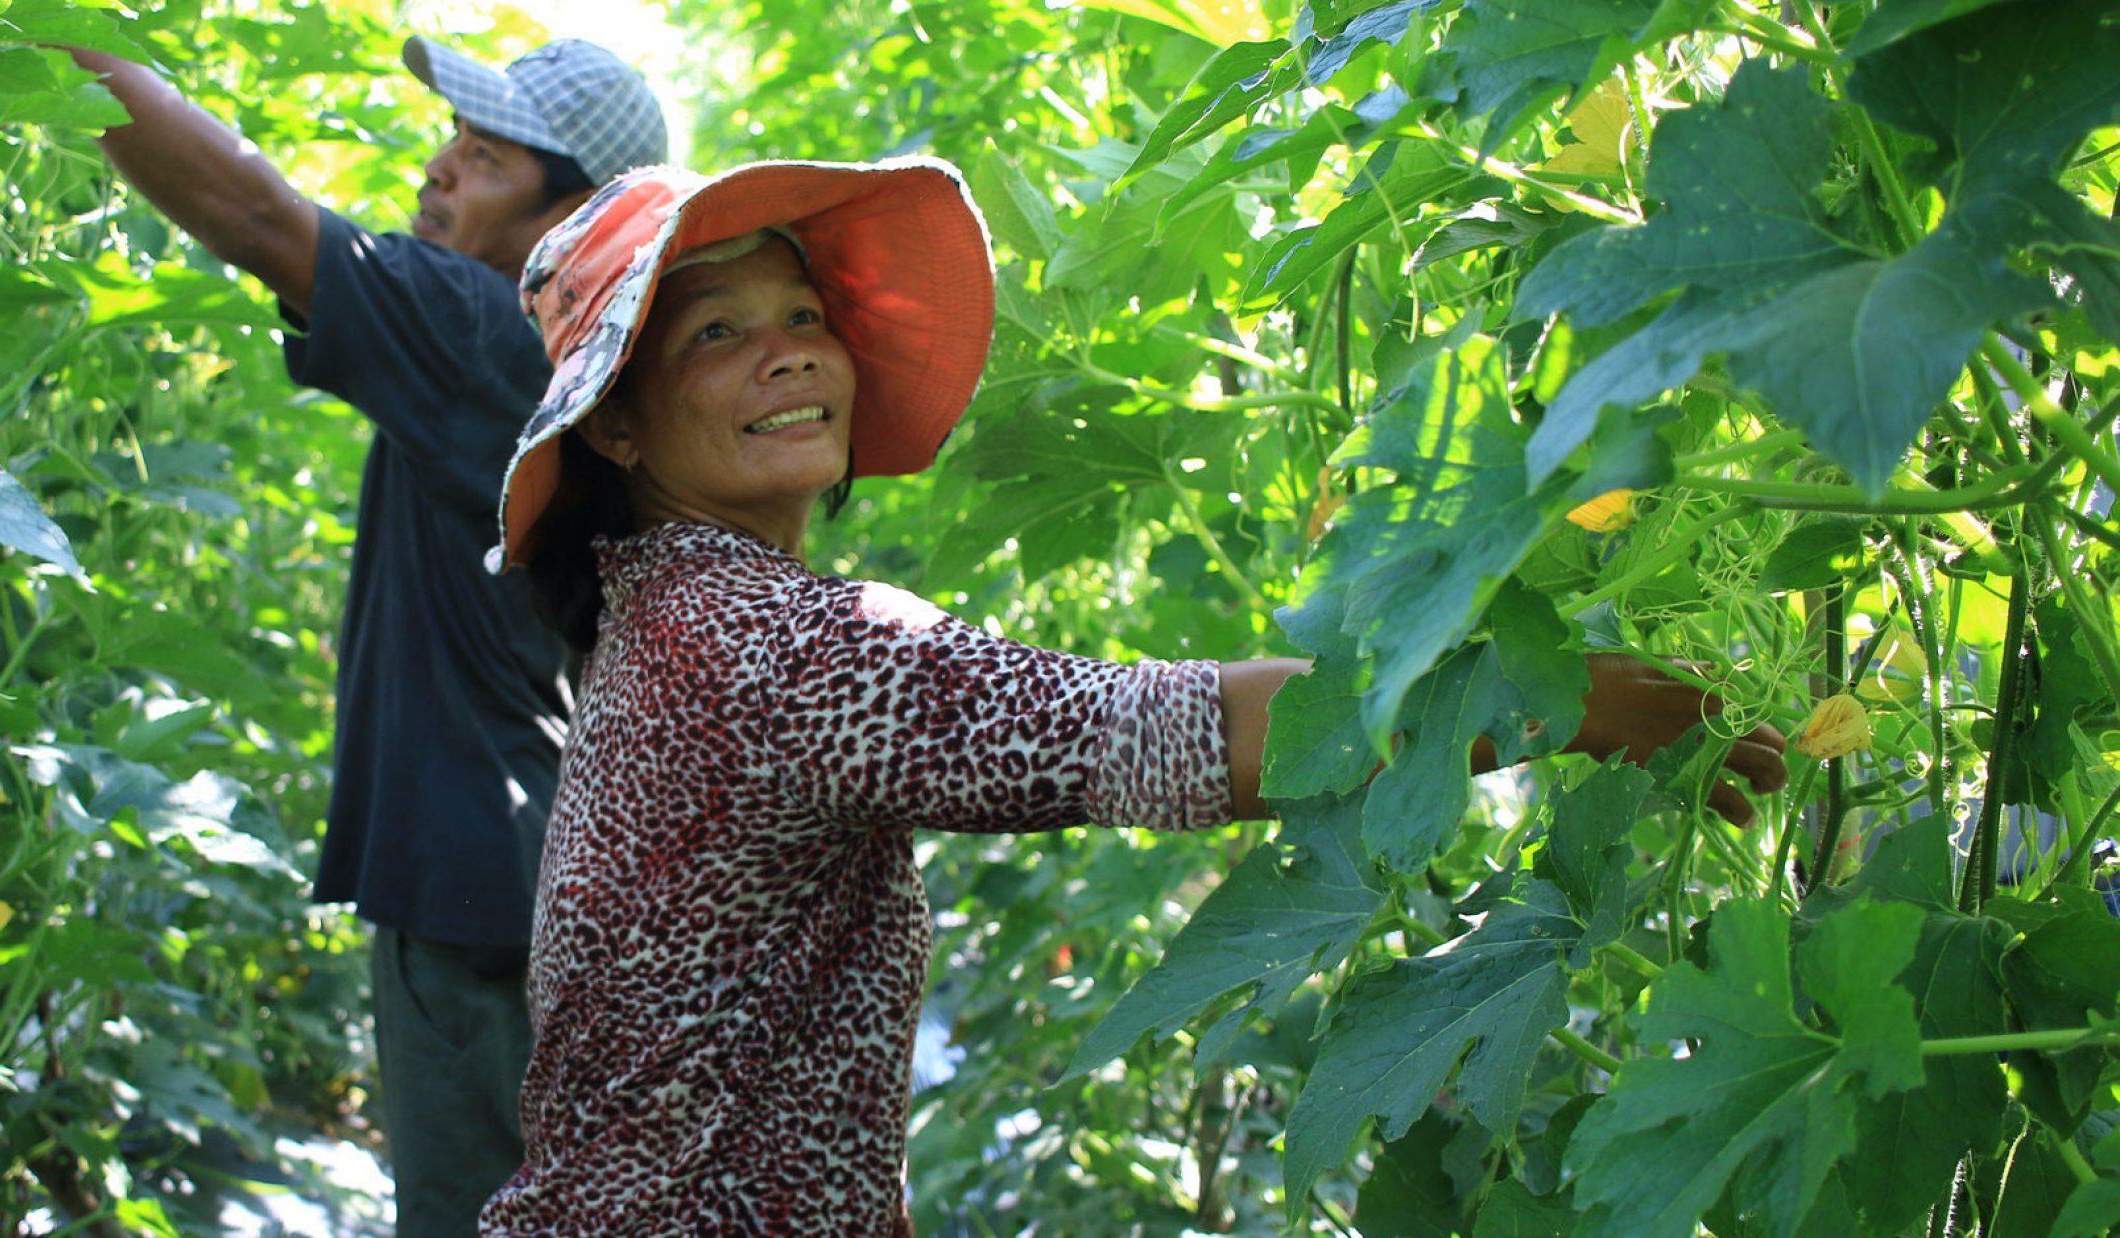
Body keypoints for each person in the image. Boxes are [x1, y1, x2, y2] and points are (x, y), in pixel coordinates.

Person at [476, 159, 1791, 1233]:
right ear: (617, 426)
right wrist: (1555, 701)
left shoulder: (679, 612)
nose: (787, 355)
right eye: (717, 333)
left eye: (802, 316)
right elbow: (1164, 732)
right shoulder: (750, 639)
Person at [64, 36, 668, 1236]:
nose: (440, 168)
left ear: (576, 212)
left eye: (483, 155)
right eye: (452, 139)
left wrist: (43, 37)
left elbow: (247, 203)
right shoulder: (582, 366)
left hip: (475, 882)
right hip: (531, 861)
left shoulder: (486, 325)